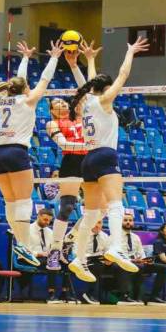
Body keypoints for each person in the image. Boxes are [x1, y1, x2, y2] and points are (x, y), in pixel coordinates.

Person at [64, 38, 149, 282]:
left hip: (88, 159)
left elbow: (89, 81)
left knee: (91, 214)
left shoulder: (87, 101)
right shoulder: (104, 100)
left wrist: (89, 59)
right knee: (115, 204)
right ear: (107, 88)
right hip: (105, 155)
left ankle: (79, 258)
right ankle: (116, 247)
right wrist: (130, 52)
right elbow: (123, 74)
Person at [0, 40, 62, 267]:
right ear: (24, 88)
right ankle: (24, 245)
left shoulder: (2, 100)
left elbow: (20, 81)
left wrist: (25, 58)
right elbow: (45, 80)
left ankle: (17, 237)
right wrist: (54, 57)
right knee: (24, 200)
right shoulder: (29, 100)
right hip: (15, 151)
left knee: (11, 201)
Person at [42, 40, 99, 271]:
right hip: (72, 162)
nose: (62, 105)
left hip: (90, 160)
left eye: (64, 102)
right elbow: (64, 144)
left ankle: (69, 241)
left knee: (100, 209)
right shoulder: (52, 124)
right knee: (66, 207)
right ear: (51, 111)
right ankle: (54, 250)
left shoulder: (79, 115)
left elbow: (86, 90)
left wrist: (75, 65)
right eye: (57, 103)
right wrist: (89, 143)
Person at [118, 211, 166, 306]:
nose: (128, 222)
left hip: (138, 263)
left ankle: (154, 297)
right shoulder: (115, 237)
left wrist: (145, 260)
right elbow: (116, 254)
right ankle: (125, 297)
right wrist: (131, 260)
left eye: (130, 220)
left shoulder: (136, 237)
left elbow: (141, 253)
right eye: (125, 220)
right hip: (124, 263)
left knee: (163, 268)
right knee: (137, 267)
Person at [27, 209, 67, 304]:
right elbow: (23, 249)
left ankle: (64, 293)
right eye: (45, 219)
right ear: (38, 216)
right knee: (52, 263)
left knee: (67, 264)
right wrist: (39, 254)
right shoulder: (27, 230)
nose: (47, 222)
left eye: (49, 220)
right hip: (32, 258)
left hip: (47, 257)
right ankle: (51, 294)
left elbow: (53, 247)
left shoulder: (50, 232)